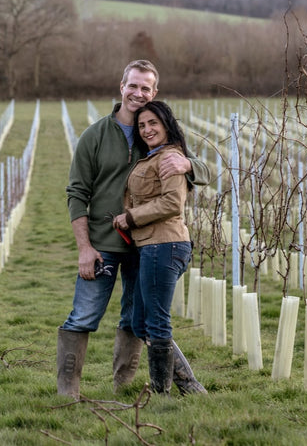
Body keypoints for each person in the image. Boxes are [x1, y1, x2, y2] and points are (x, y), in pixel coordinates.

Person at [58, 59, 209, 399]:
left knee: (135, 320)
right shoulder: (94, 136)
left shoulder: (155, 132)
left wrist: (189, 164)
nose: (137, 93)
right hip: (103, 244)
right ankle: (67, 393)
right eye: (132, 85)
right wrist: (84, 247)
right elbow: (76, 193)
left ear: (154, 93)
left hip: (146, 246)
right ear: (121, 87)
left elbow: (203, 170)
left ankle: (124, 389)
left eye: (145, 88)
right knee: (83, 315)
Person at [112, 100, 195, 395]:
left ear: (166, 125)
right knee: (140, 322)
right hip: (151, 245)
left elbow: (172, 202)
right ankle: (189, 385)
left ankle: (163, 394)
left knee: (156, 321)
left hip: (165, 243)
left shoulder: (170, 157)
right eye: (142, 125)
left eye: (153, 124)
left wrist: (130, 217)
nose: (147, 130)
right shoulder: (151, 156)